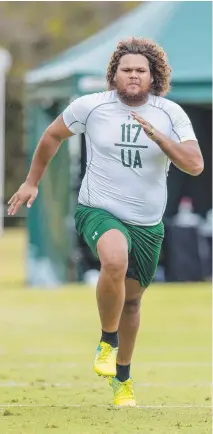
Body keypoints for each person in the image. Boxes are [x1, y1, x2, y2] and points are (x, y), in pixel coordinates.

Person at [8, 37, 204, 407]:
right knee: (114, 259)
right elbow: (52, 135)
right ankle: (107, 341)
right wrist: (32, 181)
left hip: (147, 223)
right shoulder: (90, 106)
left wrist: (160, 139)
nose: (133, 76)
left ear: (153, 76)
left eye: (140, 71)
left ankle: (123, 379)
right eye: (126, 70)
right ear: (113, 74)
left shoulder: (170, 114)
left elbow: (194, 165)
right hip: (98, 208)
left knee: (132, 303)